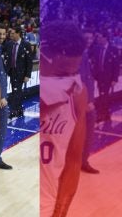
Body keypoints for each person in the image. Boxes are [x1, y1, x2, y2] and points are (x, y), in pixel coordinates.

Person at [40, 20, 87, 217]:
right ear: (44, 55)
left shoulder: (76, 92)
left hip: (47, 205)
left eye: (74, 72)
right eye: (62, 73)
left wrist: (60, 212)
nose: (70, 78)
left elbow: (74, 161)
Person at [0, 26, 12, 170]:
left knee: (0, 128)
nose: (2, 36)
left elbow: (2, 74)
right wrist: (0, 96)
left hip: (0, 95)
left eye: (4, 33)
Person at [89, 30, 119, 122]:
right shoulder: (97, 49)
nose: (98, 39)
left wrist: (115, 78)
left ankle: (102, 114)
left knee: (104, 95)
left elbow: (116, 65)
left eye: (100, 37)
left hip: (108, 77)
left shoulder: (113, 49)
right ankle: (105, 114)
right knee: (102, 94)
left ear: (105, 38)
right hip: (99, 76)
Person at [80, 29, 99, 174]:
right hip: (81, 102)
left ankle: (82, 161)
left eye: (90, 38)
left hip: (86, 100)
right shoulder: (79, 54)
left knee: (86, 133)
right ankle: (81, 162)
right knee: (85, 133)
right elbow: (81, 80)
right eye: (86, 38)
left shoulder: (85, 53)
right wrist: (87, 101)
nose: (89, 40)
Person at [5, 26, 33, 118]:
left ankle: (14, 111)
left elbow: (29, 61)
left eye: (13, 33)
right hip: (12, 71)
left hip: (21, 72)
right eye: (10, 33)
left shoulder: (26, 45)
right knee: (15, 91)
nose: (10, 35)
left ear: (18, 34)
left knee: (17, 92)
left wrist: (28, 75)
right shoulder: (9, 44)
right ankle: (19, 110)